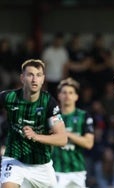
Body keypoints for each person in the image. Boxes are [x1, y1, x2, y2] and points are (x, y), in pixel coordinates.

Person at [0, 59, 67, 188]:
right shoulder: (9, 97)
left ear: (43, 79)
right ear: (22, 78)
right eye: (30, 75)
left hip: (42, 165)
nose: (34, 79)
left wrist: (36, 136)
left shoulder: (48, 102)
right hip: (15, 160)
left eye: (38, 75)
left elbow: (62, 139)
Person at [52, 77, 95, 188]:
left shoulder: (84, 116)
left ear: (76, 96)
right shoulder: (51, 117)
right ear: (59, 95)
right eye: (64, 92)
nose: (67, 95)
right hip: (55, 170)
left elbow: (89, 143)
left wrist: (66, 134)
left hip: (77, 171)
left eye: (71, 93)